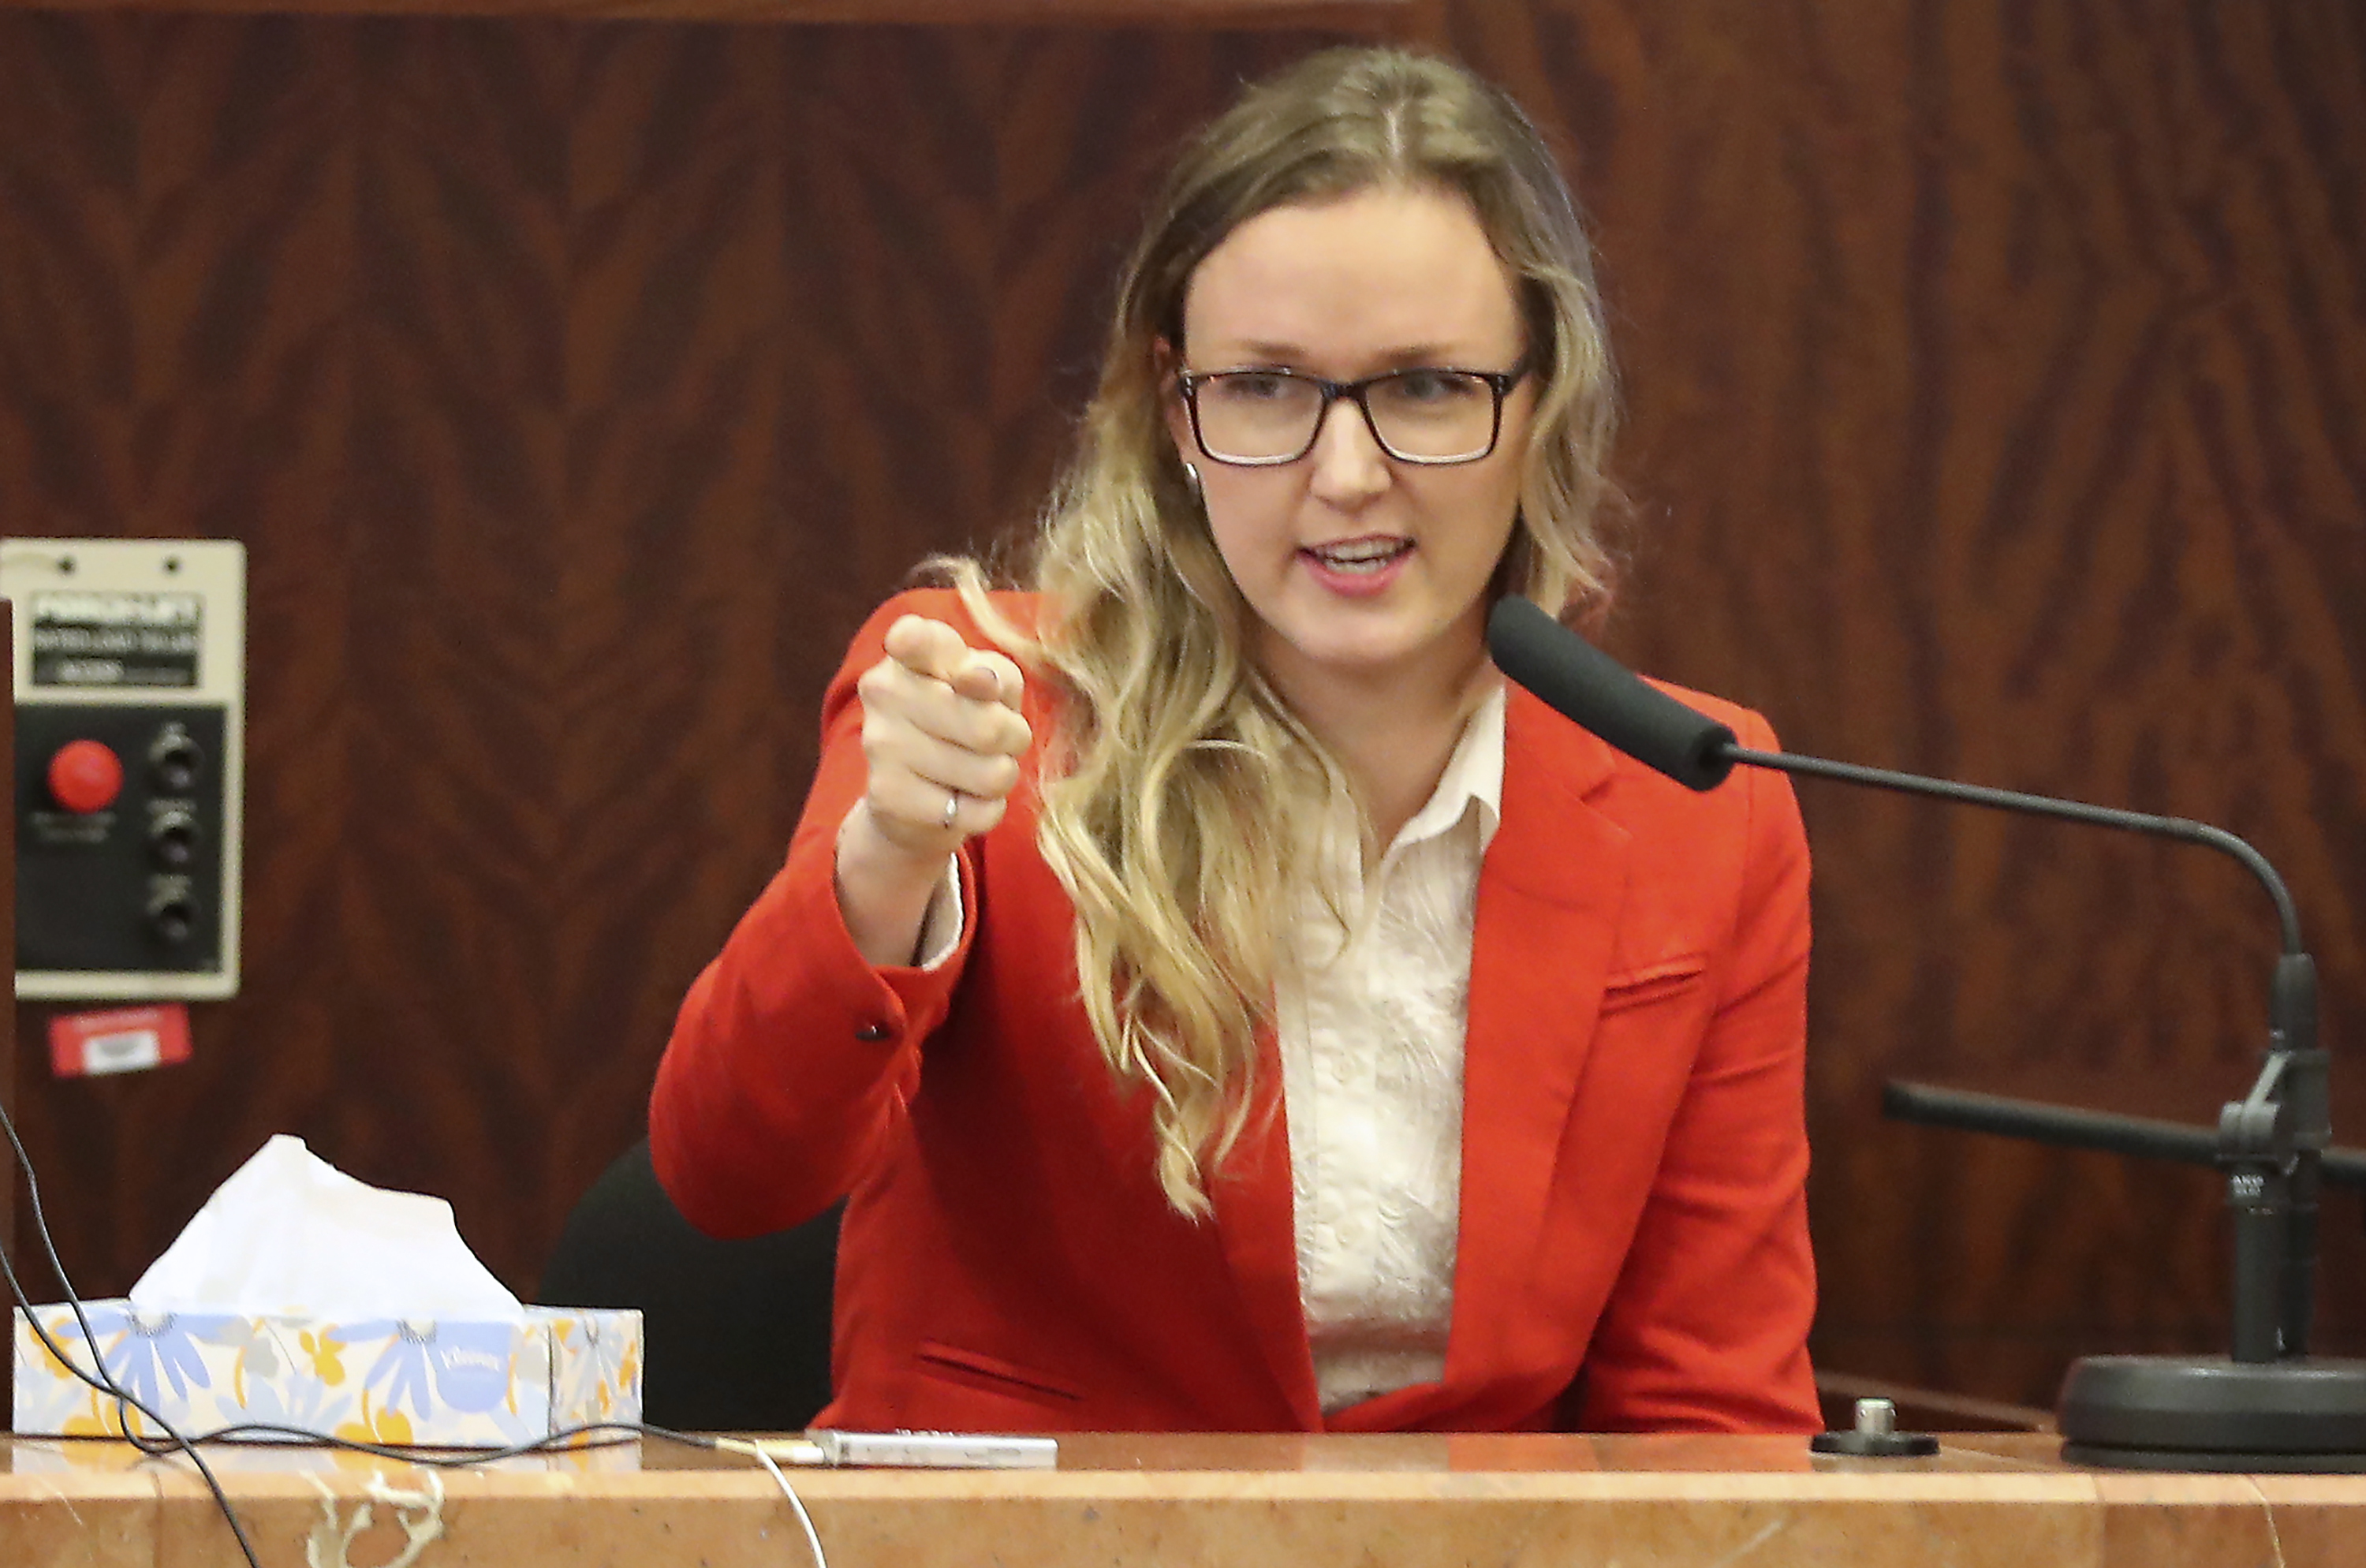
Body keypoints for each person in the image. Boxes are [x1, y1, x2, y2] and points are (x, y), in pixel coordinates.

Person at [649, 45, 1819, 1435]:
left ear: (1538, 398)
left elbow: (1710, 1414)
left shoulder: (1697, 800)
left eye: (1427, 387)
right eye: (1266, 388)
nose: (1348, 475)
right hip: (1035, 1534)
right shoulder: (983, 702)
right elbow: (731, 1175)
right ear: (1176, 411)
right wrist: (886, 864)